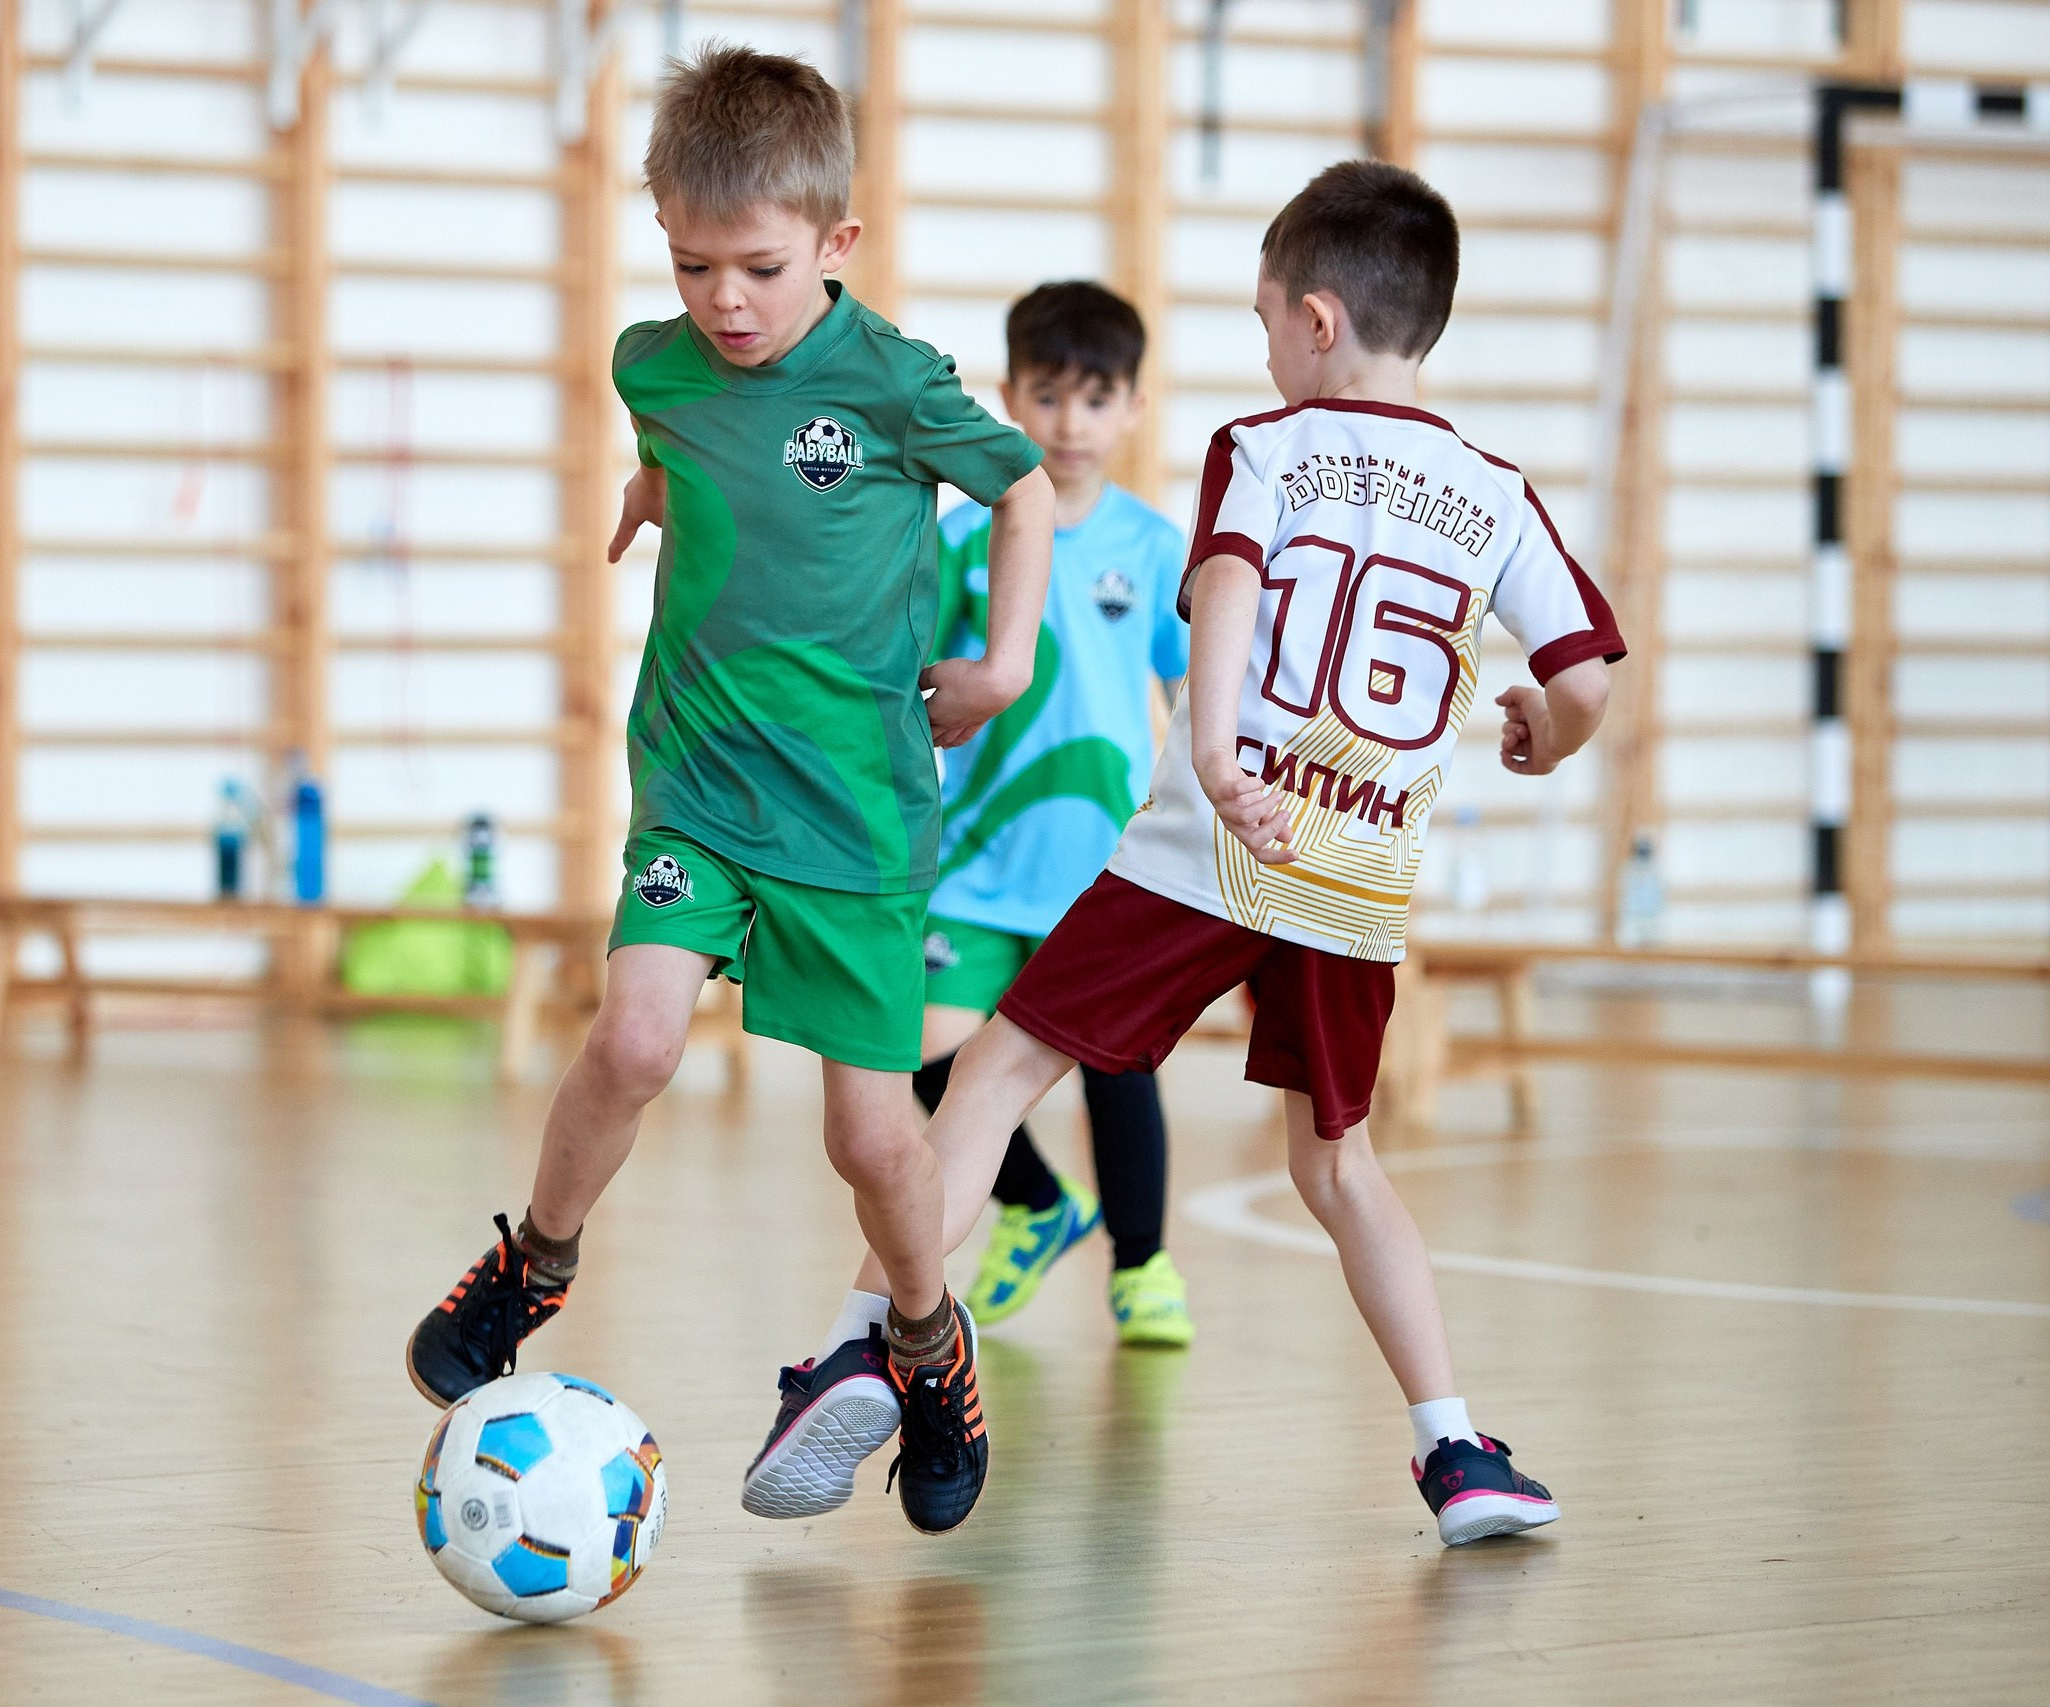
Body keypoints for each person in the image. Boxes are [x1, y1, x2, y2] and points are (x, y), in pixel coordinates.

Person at [769, 160, 1626, 1544]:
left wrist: (1221, 754)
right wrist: (1541, 731)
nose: (1266, 345)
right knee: (1339, 1163)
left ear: (1322, 321)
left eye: (1268, 317)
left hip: (1211, 847)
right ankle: (1457, 1448)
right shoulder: (1496, 488)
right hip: (1356, 880)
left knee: (990, 1072)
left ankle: (869, 1335)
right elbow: (1584, 677)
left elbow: (1226, 583)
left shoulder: (1268, 443)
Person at [401, 46, 1054, 1538]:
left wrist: (1002, 662)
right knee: (633, 1037)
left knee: (873, 1143)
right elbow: (687, 434)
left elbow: (1019, 492)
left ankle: (925, 1339)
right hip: (697, 780)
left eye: (758, 268)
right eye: (693, 266)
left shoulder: (893, 381)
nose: (724, 302)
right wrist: (654, 484)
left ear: (837, 242)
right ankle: (535, 1261)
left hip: (857, 815)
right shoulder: (655, 362)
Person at [914, 281, 1191, 1346]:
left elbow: (1181, 691)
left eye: (1095, 399)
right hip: (976, 859)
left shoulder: (1158, 547)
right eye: (1048, 396)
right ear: (1007, 401)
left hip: (1107, 867)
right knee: (918, 1047)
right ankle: (1034, 1206)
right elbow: (919, 678)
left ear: (1129, 409)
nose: (1069, 423)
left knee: (1115, 1075)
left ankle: (1143, 1266)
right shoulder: (959, 541)